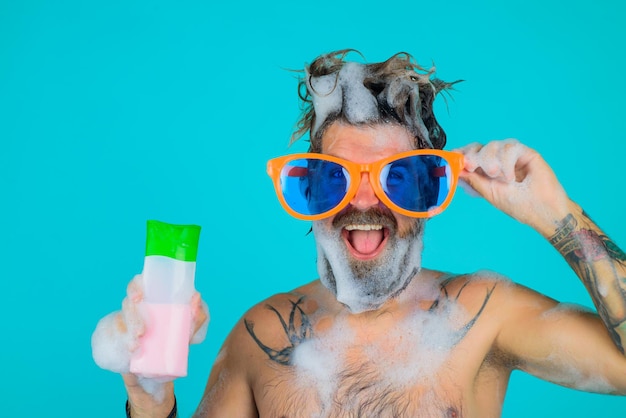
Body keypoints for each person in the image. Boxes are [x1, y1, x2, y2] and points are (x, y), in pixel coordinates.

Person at [98, 49, 626, 417]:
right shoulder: (260, 337)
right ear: (310, 191)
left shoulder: (484, 315)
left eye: (398, 178)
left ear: (425, 194)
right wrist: (149, 399)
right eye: (336, 178)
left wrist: (557, 216)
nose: (365, 200)